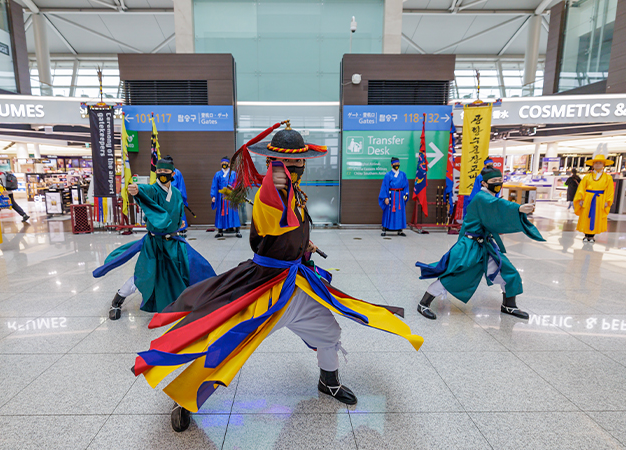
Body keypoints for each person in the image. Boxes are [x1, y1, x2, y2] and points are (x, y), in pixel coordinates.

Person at [131, 121, 423, 433]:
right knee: (228, 344)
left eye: (300, 162)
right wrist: (276, 180)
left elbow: (289, 227)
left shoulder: (293, 191)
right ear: (278, 165)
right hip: (264, 289)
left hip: (296, 285)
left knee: (328, 330)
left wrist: (303, 244)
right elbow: (273, 216)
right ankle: (185, 399)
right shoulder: (269, 196)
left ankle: (329, 381)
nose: (300, 167)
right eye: (293, 163)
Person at [415, 166, 545, 321]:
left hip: (486, 246)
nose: (498, 183)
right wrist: (518, 208)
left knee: (508, 273)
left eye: (499, 180)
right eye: (494, 181)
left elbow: (496, 211)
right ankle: (423, 303)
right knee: (455, 277)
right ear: (484, 183)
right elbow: (498, 206)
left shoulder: (489, 197)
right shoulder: (482, 198)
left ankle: (509, 305)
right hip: (471, 247)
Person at [92, 158, 215, 320]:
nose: (162, 175)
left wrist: (180, 222)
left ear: (173, 173)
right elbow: (145, 190)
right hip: (155, 243)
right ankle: (118, 300)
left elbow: (177, 212)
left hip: (173, 241)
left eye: (166, 172)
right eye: (160, 172)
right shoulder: (154, 190)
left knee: (193, 265)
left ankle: (207, 294)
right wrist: (136, 190)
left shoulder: (176, 193)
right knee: (146, 274)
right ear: (156, 172)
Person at [573, 154, 614, 243]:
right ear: (593, 165)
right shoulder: (587, 177)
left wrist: (608, 201)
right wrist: (580, 199)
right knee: (586, 216)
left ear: (603, 165)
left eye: (600, 163)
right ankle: (586, 235)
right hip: (587, 199)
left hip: (600, 200)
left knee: (596, 217)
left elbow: (610, 190)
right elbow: (581, 188)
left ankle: (592, 236)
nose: (598, 165)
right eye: (596, 163)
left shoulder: (608, 178)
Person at [211, 157, 241, 238]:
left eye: (226, 162)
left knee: (233, 212)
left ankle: (237, 231)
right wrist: (213, 196)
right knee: (220, 213)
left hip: (231, 196)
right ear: (221, 164)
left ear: (229, 164)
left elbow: (237, 184)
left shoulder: (234, 173)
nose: (224, 164)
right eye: (222, 162)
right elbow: (214, 186)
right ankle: (220, 231)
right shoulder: (217, 174)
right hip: (221, 197)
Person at [378, 157, 409, 237]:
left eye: (397, 164)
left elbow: (406, 186)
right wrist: (385, 197)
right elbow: (384, 186)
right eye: (394, 164)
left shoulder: (403, 174)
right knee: (388, 211)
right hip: (391, 195)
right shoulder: (388, 175)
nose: (396, 165)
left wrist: (406, 194)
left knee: (400, 212)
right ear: (391, 165)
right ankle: (385, 228)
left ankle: (400, 229)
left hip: (400, 195)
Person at [164, 156, 189, 237]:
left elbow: (181, 186)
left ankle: (181, 230)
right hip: (165, 195)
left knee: (178, 212)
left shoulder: (177, 172)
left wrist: (181, 197)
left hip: (175, 195)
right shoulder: (162, 172)